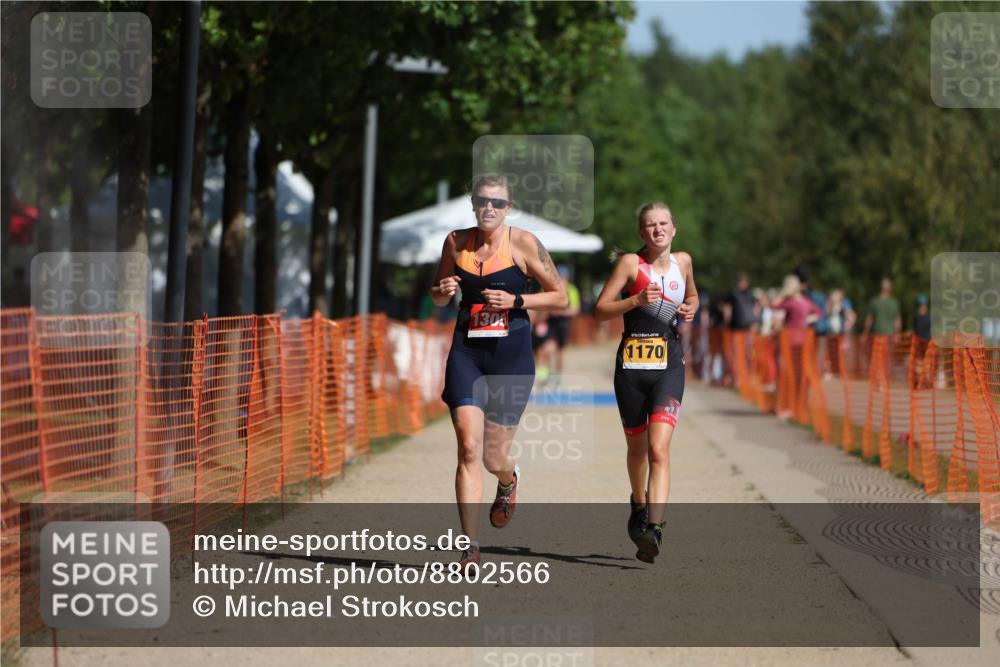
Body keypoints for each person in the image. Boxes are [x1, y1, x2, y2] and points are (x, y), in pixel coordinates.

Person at [430, 174, 568, 570]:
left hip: (511, 359)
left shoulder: (524, 243)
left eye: (498, 202)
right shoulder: (455, 242)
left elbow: (560, 297)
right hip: (467, 354)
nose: (489, 208)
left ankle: (508, 480)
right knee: (468, 449)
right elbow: (437, 296)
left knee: (493, 457)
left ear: (509, 208)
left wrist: (516, 300)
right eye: (482, 200)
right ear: (473, 204)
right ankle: (470, 547)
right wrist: (442, 292)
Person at [594, 202, 698, 564]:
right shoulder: (630, 265)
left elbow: (693, 295)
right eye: (651, 225)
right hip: (632, 370)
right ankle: (638, 502)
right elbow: (599, 309)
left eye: (664, 223)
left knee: (658, 449)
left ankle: (654, 529)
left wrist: (692, 307)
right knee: (637, 450)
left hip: (669, 366)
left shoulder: (684, 262)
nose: (658, 229)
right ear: (642, 233)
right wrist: (636, 300)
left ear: (674, 228)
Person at [772, 274, 822, 420]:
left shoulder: (790, 303)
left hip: (790, 343)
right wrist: (808, 320)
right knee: (800, 375)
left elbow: (773, 305)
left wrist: (783, 293)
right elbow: (819, 312)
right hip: (803, 342)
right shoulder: (806, 302)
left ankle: (788, 407)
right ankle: (799, 407)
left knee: (789, 375)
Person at [544, 266, 582, 382]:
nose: (561, 280)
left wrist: (560, 312)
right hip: (550, 323)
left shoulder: (572, 290)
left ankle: (557, 377)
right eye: (559, 278)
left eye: (563, 278)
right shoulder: (548, 288)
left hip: (563, 324)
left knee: (560, 352)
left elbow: (575, 310)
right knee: (547, 349)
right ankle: (546, 375)